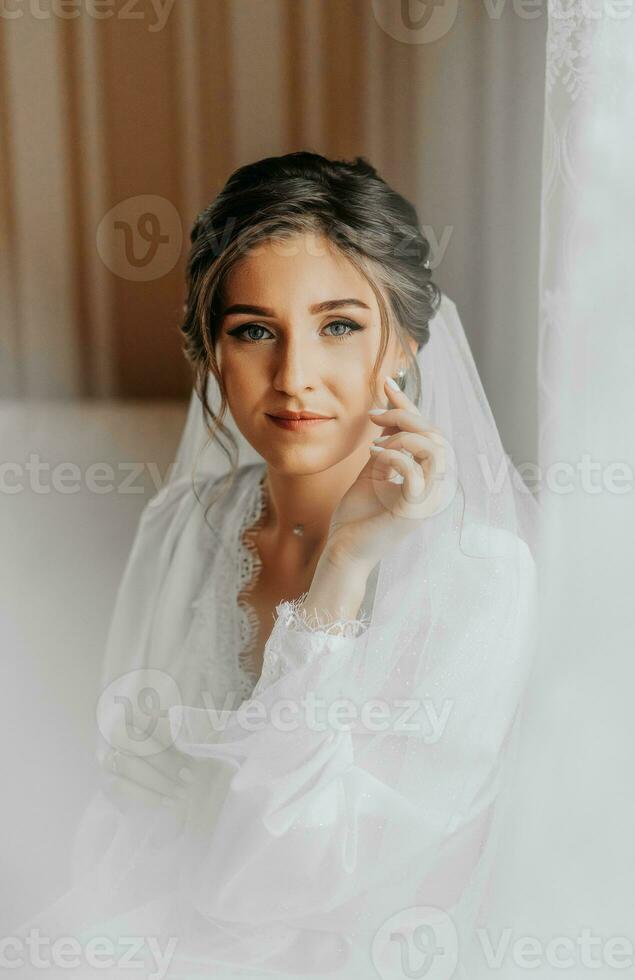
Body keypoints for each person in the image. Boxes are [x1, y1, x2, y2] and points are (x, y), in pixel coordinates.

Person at [13, 152, 539, 979]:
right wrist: (146, 775)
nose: (294, 378)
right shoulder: (184, 526)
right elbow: (124, 791)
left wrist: (346, 568)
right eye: (254, 330)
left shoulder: (479, 577)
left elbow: (288, 881)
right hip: (150, 922)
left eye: (339, 326)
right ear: (212, 353)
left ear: (402, 343)